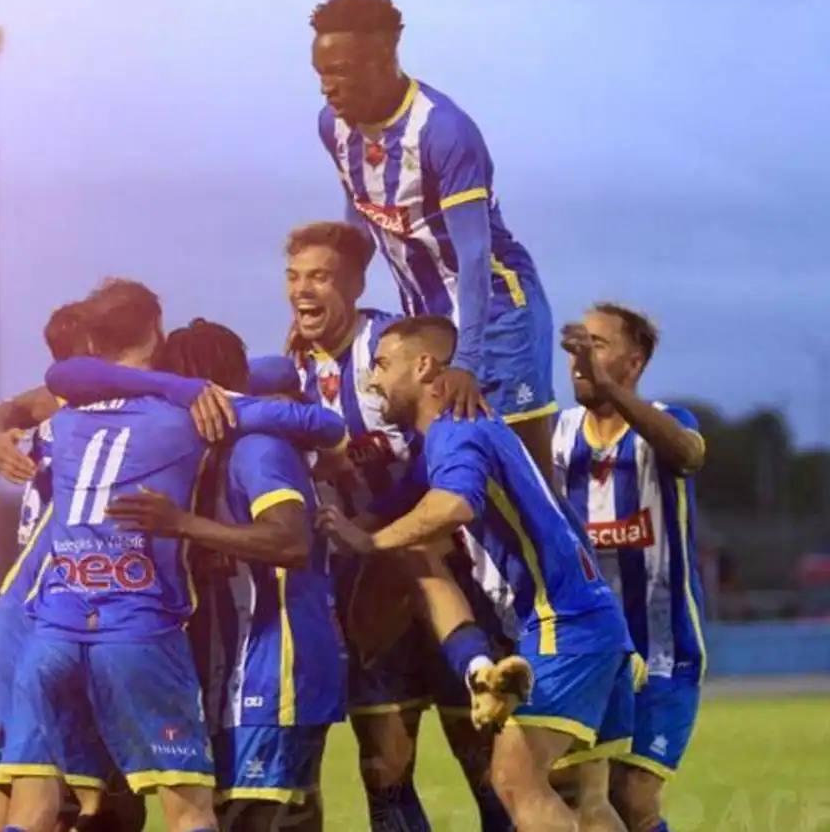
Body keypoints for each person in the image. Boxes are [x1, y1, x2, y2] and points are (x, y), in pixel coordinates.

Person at [0, 281, 345, 832]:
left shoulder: (63, 421)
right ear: (155, 332)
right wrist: (216, 398)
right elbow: (326, 427)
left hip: (51, 630)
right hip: (136, 632)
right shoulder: (193, 417)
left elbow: (58, 380)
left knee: (42, 805)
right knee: (190, 810)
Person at [318, 316, 634, 832]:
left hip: (562, 625)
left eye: (381, 365)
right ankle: (477, 668)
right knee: (589, 802)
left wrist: (367, 543)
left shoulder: (452, 431)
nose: (372, 381)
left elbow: (452, 506)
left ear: (423, 367)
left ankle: (476, 667)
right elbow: (407, 498)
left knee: (515, 781)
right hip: (596, 622)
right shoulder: (468, 431)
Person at [281, 220, 514, 830]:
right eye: (294, 276)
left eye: (321, 277)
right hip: (362, 583)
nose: (303, 290)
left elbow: (444, 441)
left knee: (485, 762)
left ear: (356, 284)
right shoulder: (289, 368)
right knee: (383, 767)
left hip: (443, 569)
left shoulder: (394, 348)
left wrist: (378, 515)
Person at [96, 320, 345, 832]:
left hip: (274, 669)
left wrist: (182, 525)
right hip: (232, 672)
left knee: (255, 819)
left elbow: (290, 542)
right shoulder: (207, 455)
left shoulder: (258, 447)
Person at [310, 0, 558, 481]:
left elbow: (474, 253)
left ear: (383, 58)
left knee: (525, 480)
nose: (327, 88)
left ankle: (570, 558)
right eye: (320, 73)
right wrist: (332, 304)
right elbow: (358, 222)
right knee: (445, 478)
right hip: (425, 323)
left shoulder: (444, 130)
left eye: (339, 71)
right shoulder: (334, 128)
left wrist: (467, 359)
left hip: (498, 316)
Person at [0, 300, 145, 832]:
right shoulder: (98, 420)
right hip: (60, 611)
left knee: (18, 793)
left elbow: (11, 409)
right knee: (74, 803)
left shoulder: (59, 414)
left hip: (22, 608)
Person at [552, 304, 707, 832]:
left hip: (663, 651)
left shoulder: (667, 423)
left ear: (634, 362)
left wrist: (611, 392)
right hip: (590, 654)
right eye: (577, 343)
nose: (580, 356)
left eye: (597, 344)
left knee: (635, 797)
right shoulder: (557, 434)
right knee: (580, 801)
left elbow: (687, 455)